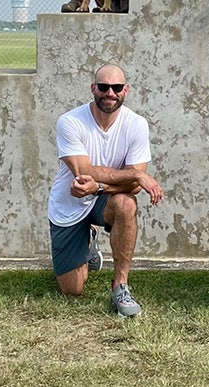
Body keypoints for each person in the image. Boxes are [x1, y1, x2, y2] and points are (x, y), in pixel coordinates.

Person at [47, 64, 164, 317]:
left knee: (126, 203)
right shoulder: (69, 122)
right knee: (71, 290)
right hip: (70, 202)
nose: (109, 92)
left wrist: (99, 186)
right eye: (103, 87)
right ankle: (88, 243)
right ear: (93, 88)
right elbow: (83, 169)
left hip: (105, 199)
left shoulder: (136, 125)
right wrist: (135, 173)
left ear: (126, 90)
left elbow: (132, 188)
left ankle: (120, 286)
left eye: (116, 87)